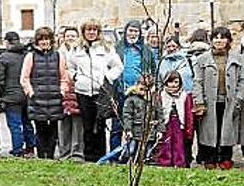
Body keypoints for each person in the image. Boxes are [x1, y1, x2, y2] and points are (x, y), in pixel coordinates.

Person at [67, 19, 123, 162]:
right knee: (87, 125)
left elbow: (118, 67)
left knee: (100, 125)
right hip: (83, 92)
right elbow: (70, 67)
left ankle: (100, 156)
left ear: (98, 32)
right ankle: (89, 157)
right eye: (88, 30)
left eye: (94, 30)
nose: (91, 33)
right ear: (83, 32)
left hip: (101, 92)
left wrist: (107, 78)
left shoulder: (106, 48)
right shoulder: (76, 49)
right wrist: (76, 77)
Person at [192, 26, 243, 170]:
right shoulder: (202, 59)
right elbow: (198, 81)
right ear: (211, 40)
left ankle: (226, 157)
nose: (219, 41)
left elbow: (242, 80)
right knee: (209, 130)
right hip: (209, 101)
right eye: (216, 37)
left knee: (227, 129)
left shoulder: (237, 59)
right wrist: (199, 101)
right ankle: (210, 157)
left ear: (228, 41)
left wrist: (238, 99)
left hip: (230, 101)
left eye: (222, 38)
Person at [20, 26, 70, 160]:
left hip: (55, 98)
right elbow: (24, 78)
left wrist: (62, 92)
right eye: (41, 39)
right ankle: (42, 156)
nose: (44, 42)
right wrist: (31, 93)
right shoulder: (31, 56)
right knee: (40, 129)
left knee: (53, 131)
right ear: (37, 41)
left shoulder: (58, 56)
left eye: (47, 39)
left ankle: (51, 156)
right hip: (38, 99)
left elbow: (64, 77)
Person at [112, 20, 157, 149]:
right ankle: (115, 154)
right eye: (130, 30)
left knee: (138, 125)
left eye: (136, 31)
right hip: (120, 91)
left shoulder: (146, 51)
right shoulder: (117, 48)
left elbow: (153, 70)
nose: (133, 34)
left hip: (139, 93)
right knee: (117, 125)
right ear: (125, 31)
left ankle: (135, 154)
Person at [0, 31, 35, 158]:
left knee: (15, 125)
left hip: (11, 97)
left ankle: (18, 150)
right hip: (27, 94)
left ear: (7, 42)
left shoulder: (4, 57)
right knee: (27, 123)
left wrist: (2, 94)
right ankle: (30, 148)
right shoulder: (27, 55)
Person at [155, 71, 194, 168]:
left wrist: (189, 128)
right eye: (170, 82)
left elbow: (188, 112)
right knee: (165, 143)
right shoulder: (161, 94)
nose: (173, 85)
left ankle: (179, 162)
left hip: (178, 123)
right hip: (166, 123)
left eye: (176, 82)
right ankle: (165, 162)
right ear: (166, 82)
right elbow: (157, 111)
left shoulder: (184, 96)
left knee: (178, 144)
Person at [57, 26, 84, 161]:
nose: (71, 38)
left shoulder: (81, 51)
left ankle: (77, 152)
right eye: (68, 36)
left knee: (78, 123)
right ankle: (64, 152)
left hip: (78, 90)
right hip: (63, 90)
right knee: (64, 123)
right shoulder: (58, 53)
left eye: (73, 35)